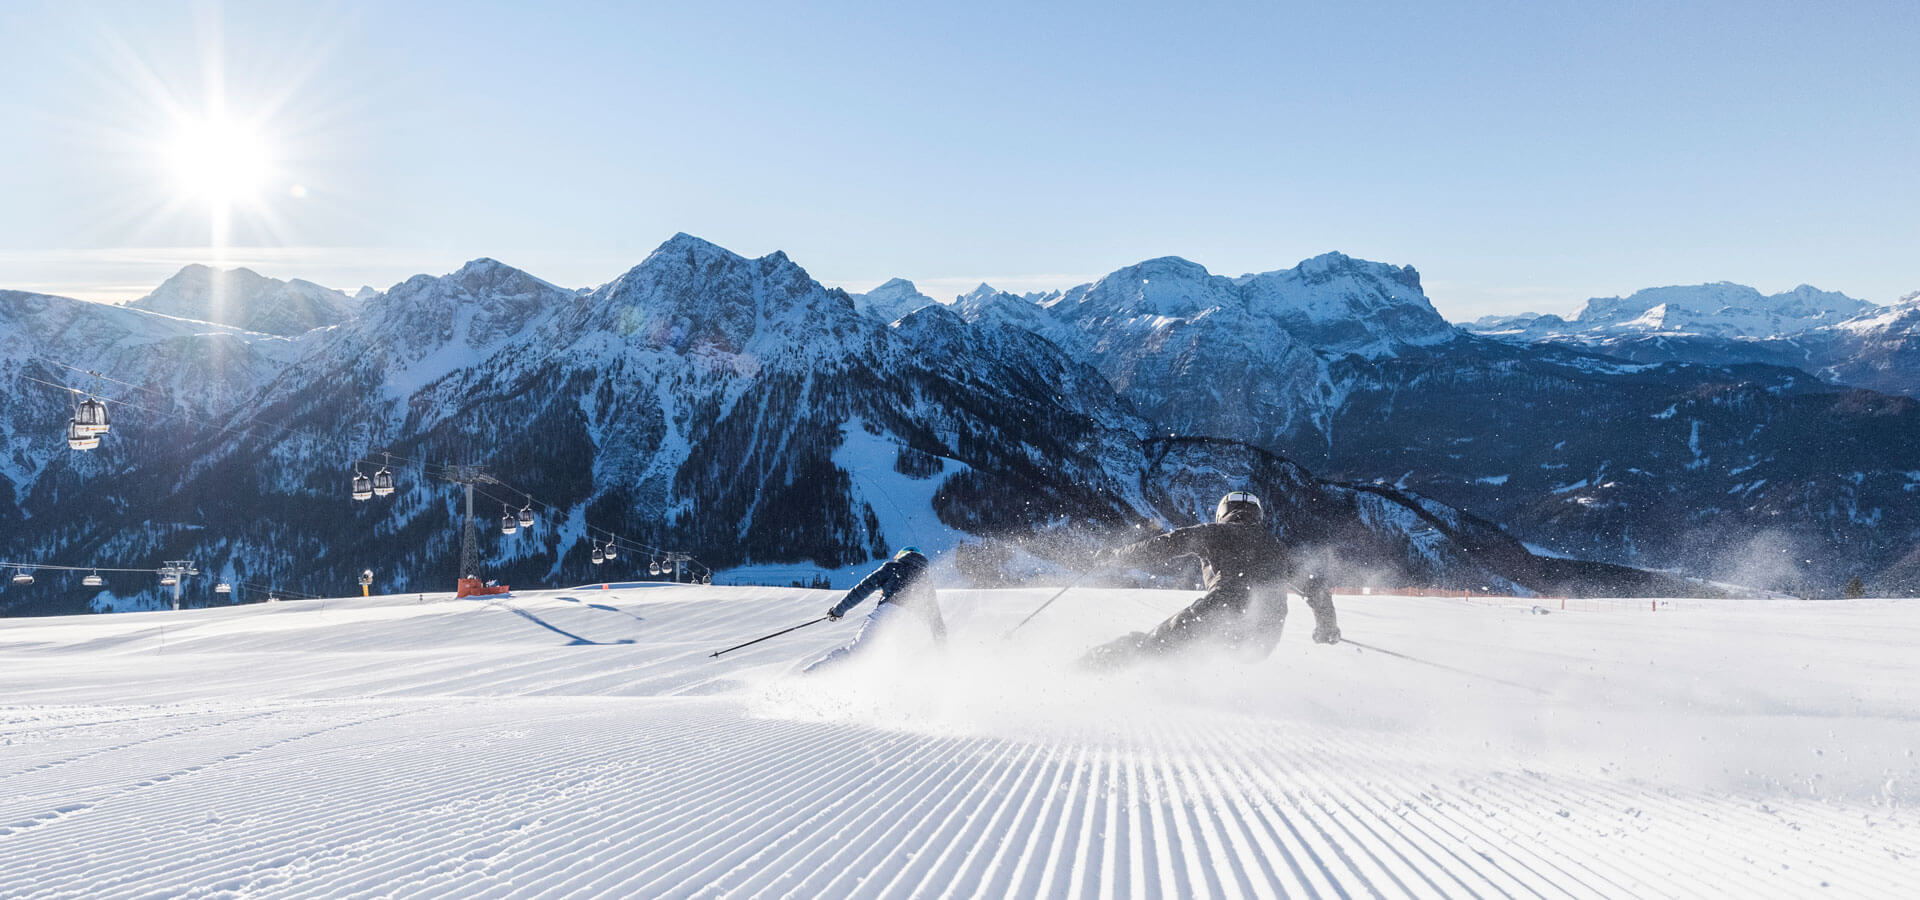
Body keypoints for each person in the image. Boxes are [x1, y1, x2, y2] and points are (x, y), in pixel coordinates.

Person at [1081, 491, 1339, 668]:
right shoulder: (1278, 548)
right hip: (1264, 637)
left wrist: (1115, 557)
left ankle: (1085, 669)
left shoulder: (1213, 533)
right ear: (1257, 515)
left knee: (1150, 646)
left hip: (1223, 612)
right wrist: (1326, 627)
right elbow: (1316, 588)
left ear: (1223, 513)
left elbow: (1161, 547)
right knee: (1197, 654)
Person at [803, 546, 948, 673]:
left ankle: (809, 675)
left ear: (901, 556)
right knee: (900, 666)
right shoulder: (925, 580)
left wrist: (838, 611)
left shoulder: (893, 567)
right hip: (910, 624)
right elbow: (936, 620)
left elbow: (862, 589)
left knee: (856, 654)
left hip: (888, 613)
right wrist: (943, 652)